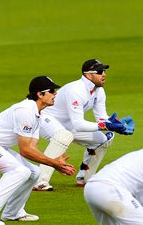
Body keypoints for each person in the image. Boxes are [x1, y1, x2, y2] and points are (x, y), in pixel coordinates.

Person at [0, 76, 76, 225]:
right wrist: (53, 163)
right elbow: (25, 150)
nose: (55, 94)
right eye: (51, 91)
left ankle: (13, 212)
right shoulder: (25, 111)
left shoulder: (38, 113)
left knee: (34, 173)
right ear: (40, 94)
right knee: (19, 171)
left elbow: (33, 147)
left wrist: (54, 162)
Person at [32, 59, 134, 191]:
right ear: (88, 75)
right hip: (45, 118)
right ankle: (40, 181)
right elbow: (79, 124)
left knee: (103, 140)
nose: (104, 74)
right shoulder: (76, 90)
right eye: (99, 71)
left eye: (104, 71)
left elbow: (101, 117)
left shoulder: (99, 91)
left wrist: (118, 125)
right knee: (63, 136)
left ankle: (86, 178)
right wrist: (105, 126)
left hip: (67, 123)